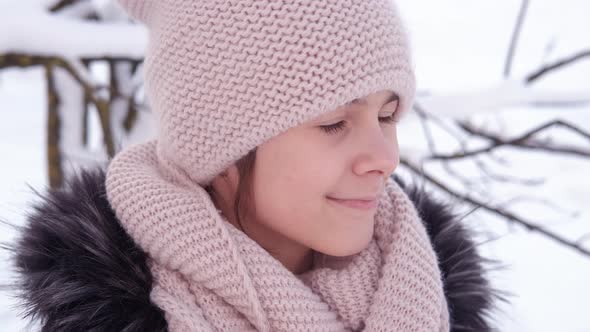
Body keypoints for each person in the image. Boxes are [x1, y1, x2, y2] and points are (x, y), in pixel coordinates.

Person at [7, 0, 503, 331]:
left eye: (387, 115)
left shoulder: (433, 298)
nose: (385, 158)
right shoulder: (119, 309)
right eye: (334, 123)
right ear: (217, 143)